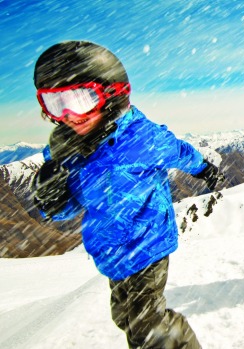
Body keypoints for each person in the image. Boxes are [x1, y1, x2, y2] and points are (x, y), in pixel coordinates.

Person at [31, 41, 219, 348]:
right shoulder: (69, 152)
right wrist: (53, 200)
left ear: (112, 93)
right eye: (54, 103)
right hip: (110, 250)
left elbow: (179, 152)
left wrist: (204, 169)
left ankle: (181, 341)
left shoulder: (143, 139)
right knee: (125, 319)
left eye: (79, 98)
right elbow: (73, 204)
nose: (68, 114)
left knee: (147, 330)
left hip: (149, 243)